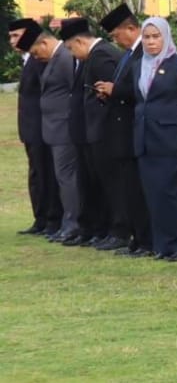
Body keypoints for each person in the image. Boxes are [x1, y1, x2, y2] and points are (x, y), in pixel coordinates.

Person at [61, 18, 126, 250]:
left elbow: (108, 98)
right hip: (91, 134)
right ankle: (100, 229)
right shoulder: (92, 56)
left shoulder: (101, 56)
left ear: (79, 41)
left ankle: (118, 230)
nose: (72, 54)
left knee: (112, 186)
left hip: (105, 133)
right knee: (96, 185)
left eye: (71, 49)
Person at [132, 17, 177, 262]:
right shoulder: (138, 65)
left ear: (165, 37)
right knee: (153, 193)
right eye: (146, 37)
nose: (151, 42)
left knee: (171, 193)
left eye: (155, 36)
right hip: (145, 139)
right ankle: (163, 244)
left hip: (170, 138)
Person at [98, 4, 153, 257]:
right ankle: (136, 238)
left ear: (131, 29)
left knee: (138, 190)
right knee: (128, 189)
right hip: (121, 132)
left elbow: (140, 88)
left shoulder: (145, 51)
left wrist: (115, 90)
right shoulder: (129, 54)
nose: (115, 40)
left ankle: (144, 239)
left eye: (116, 35)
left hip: (134, 129)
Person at [31, 27, 83, 245]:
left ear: (44, 43)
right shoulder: (55, 59)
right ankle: (67, 222)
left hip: (64, 128)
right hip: (53, 129)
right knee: (62, 178)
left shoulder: (64, 57)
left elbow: (74, 89)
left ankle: (73, 224)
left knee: (67, 178)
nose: (36, 57)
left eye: (35, 52)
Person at [11, 18, 60, 237]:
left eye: (17, 35)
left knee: (47, 174)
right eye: (10, 36)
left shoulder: (41, 59)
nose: (13, 40)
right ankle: (40, 218)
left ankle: (52, 219)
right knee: (36, 174)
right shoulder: (28, 59)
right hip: (30, 129)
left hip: (43, 128)